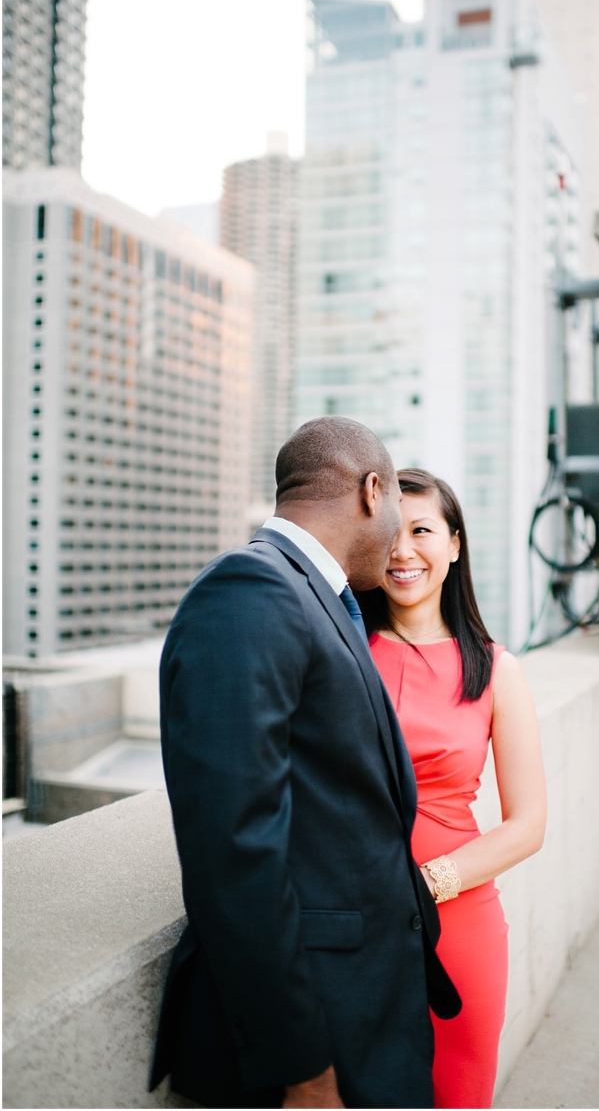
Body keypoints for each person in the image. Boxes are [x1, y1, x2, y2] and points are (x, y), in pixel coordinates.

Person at [150, 419, 460, 1110]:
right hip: (317, 1042)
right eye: (395, 515)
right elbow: (233, 852)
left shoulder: (324, 602)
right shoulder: (249, 592)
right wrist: (305, 1072)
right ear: (371, 491)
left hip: (371, 1008)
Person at [357, 468, 548, 1110]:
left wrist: (427, 885)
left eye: (421, 531)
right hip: (350, 916)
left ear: (455, 544)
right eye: (388, 533)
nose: (403, 550)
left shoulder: (497, 670)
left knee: (458, 1096)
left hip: (457, 921)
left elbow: (528, 824)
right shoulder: (339, 652)